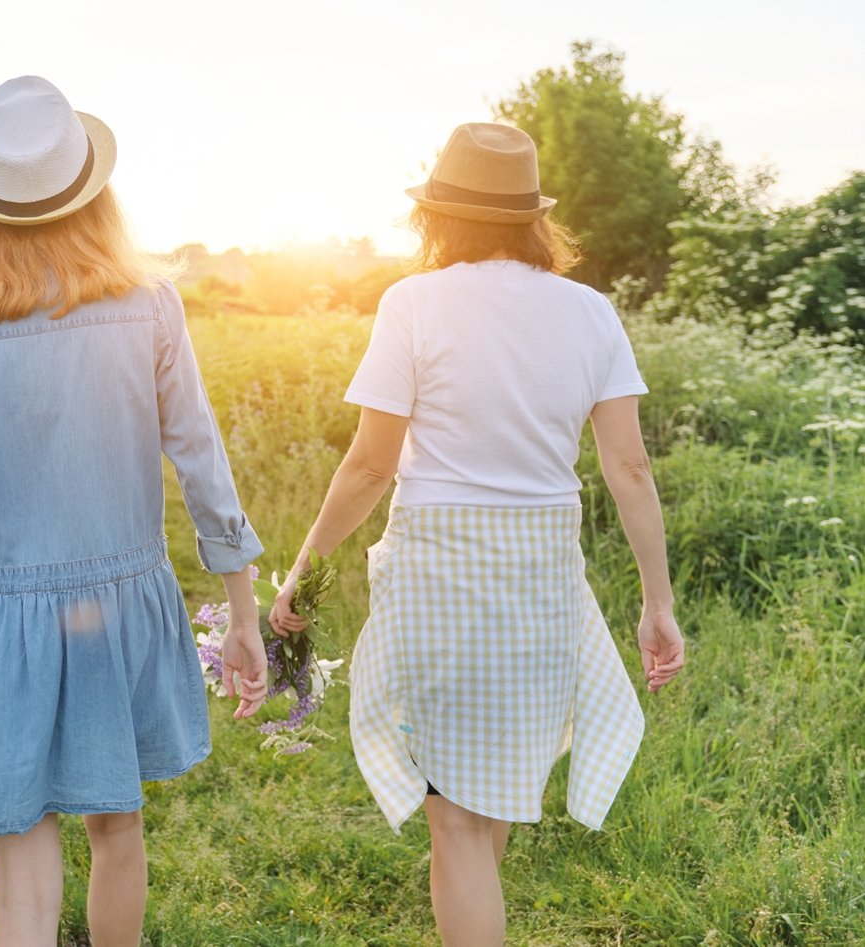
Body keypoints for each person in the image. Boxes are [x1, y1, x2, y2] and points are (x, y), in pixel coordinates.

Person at [269, 123, 685, 946]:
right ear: (532, 214)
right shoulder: (590, 311)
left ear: (438, 215)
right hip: (542, 573)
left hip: (439, 573)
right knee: (483, 799)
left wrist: (302, 575)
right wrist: (656, 602)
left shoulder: (414, 302)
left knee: (456, 820)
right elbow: (629, 468)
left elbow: (368, 466)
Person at [0, 75, 268, 947]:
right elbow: (202, 463)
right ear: (92, 190)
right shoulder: (149, 305)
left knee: (20, 880)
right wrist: (242, 608)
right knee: (118, 830)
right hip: (121, 610)